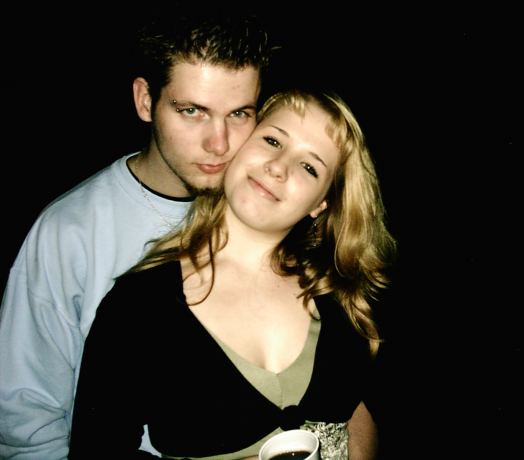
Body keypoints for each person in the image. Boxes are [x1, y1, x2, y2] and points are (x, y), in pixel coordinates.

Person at [0, 6, 273, 459]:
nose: (220, 143)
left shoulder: (270, 213)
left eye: (239, 113)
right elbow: (26, 423)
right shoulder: (70, 232)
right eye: (192, 111)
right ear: (145, 101)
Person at [68, 88, 397, 459]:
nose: (278, 166)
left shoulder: (336, 292)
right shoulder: (138, 305)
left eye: (310, 167)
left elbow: (358, 410)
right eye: (273, 140)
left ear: (320, 203)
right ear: (239, 146)